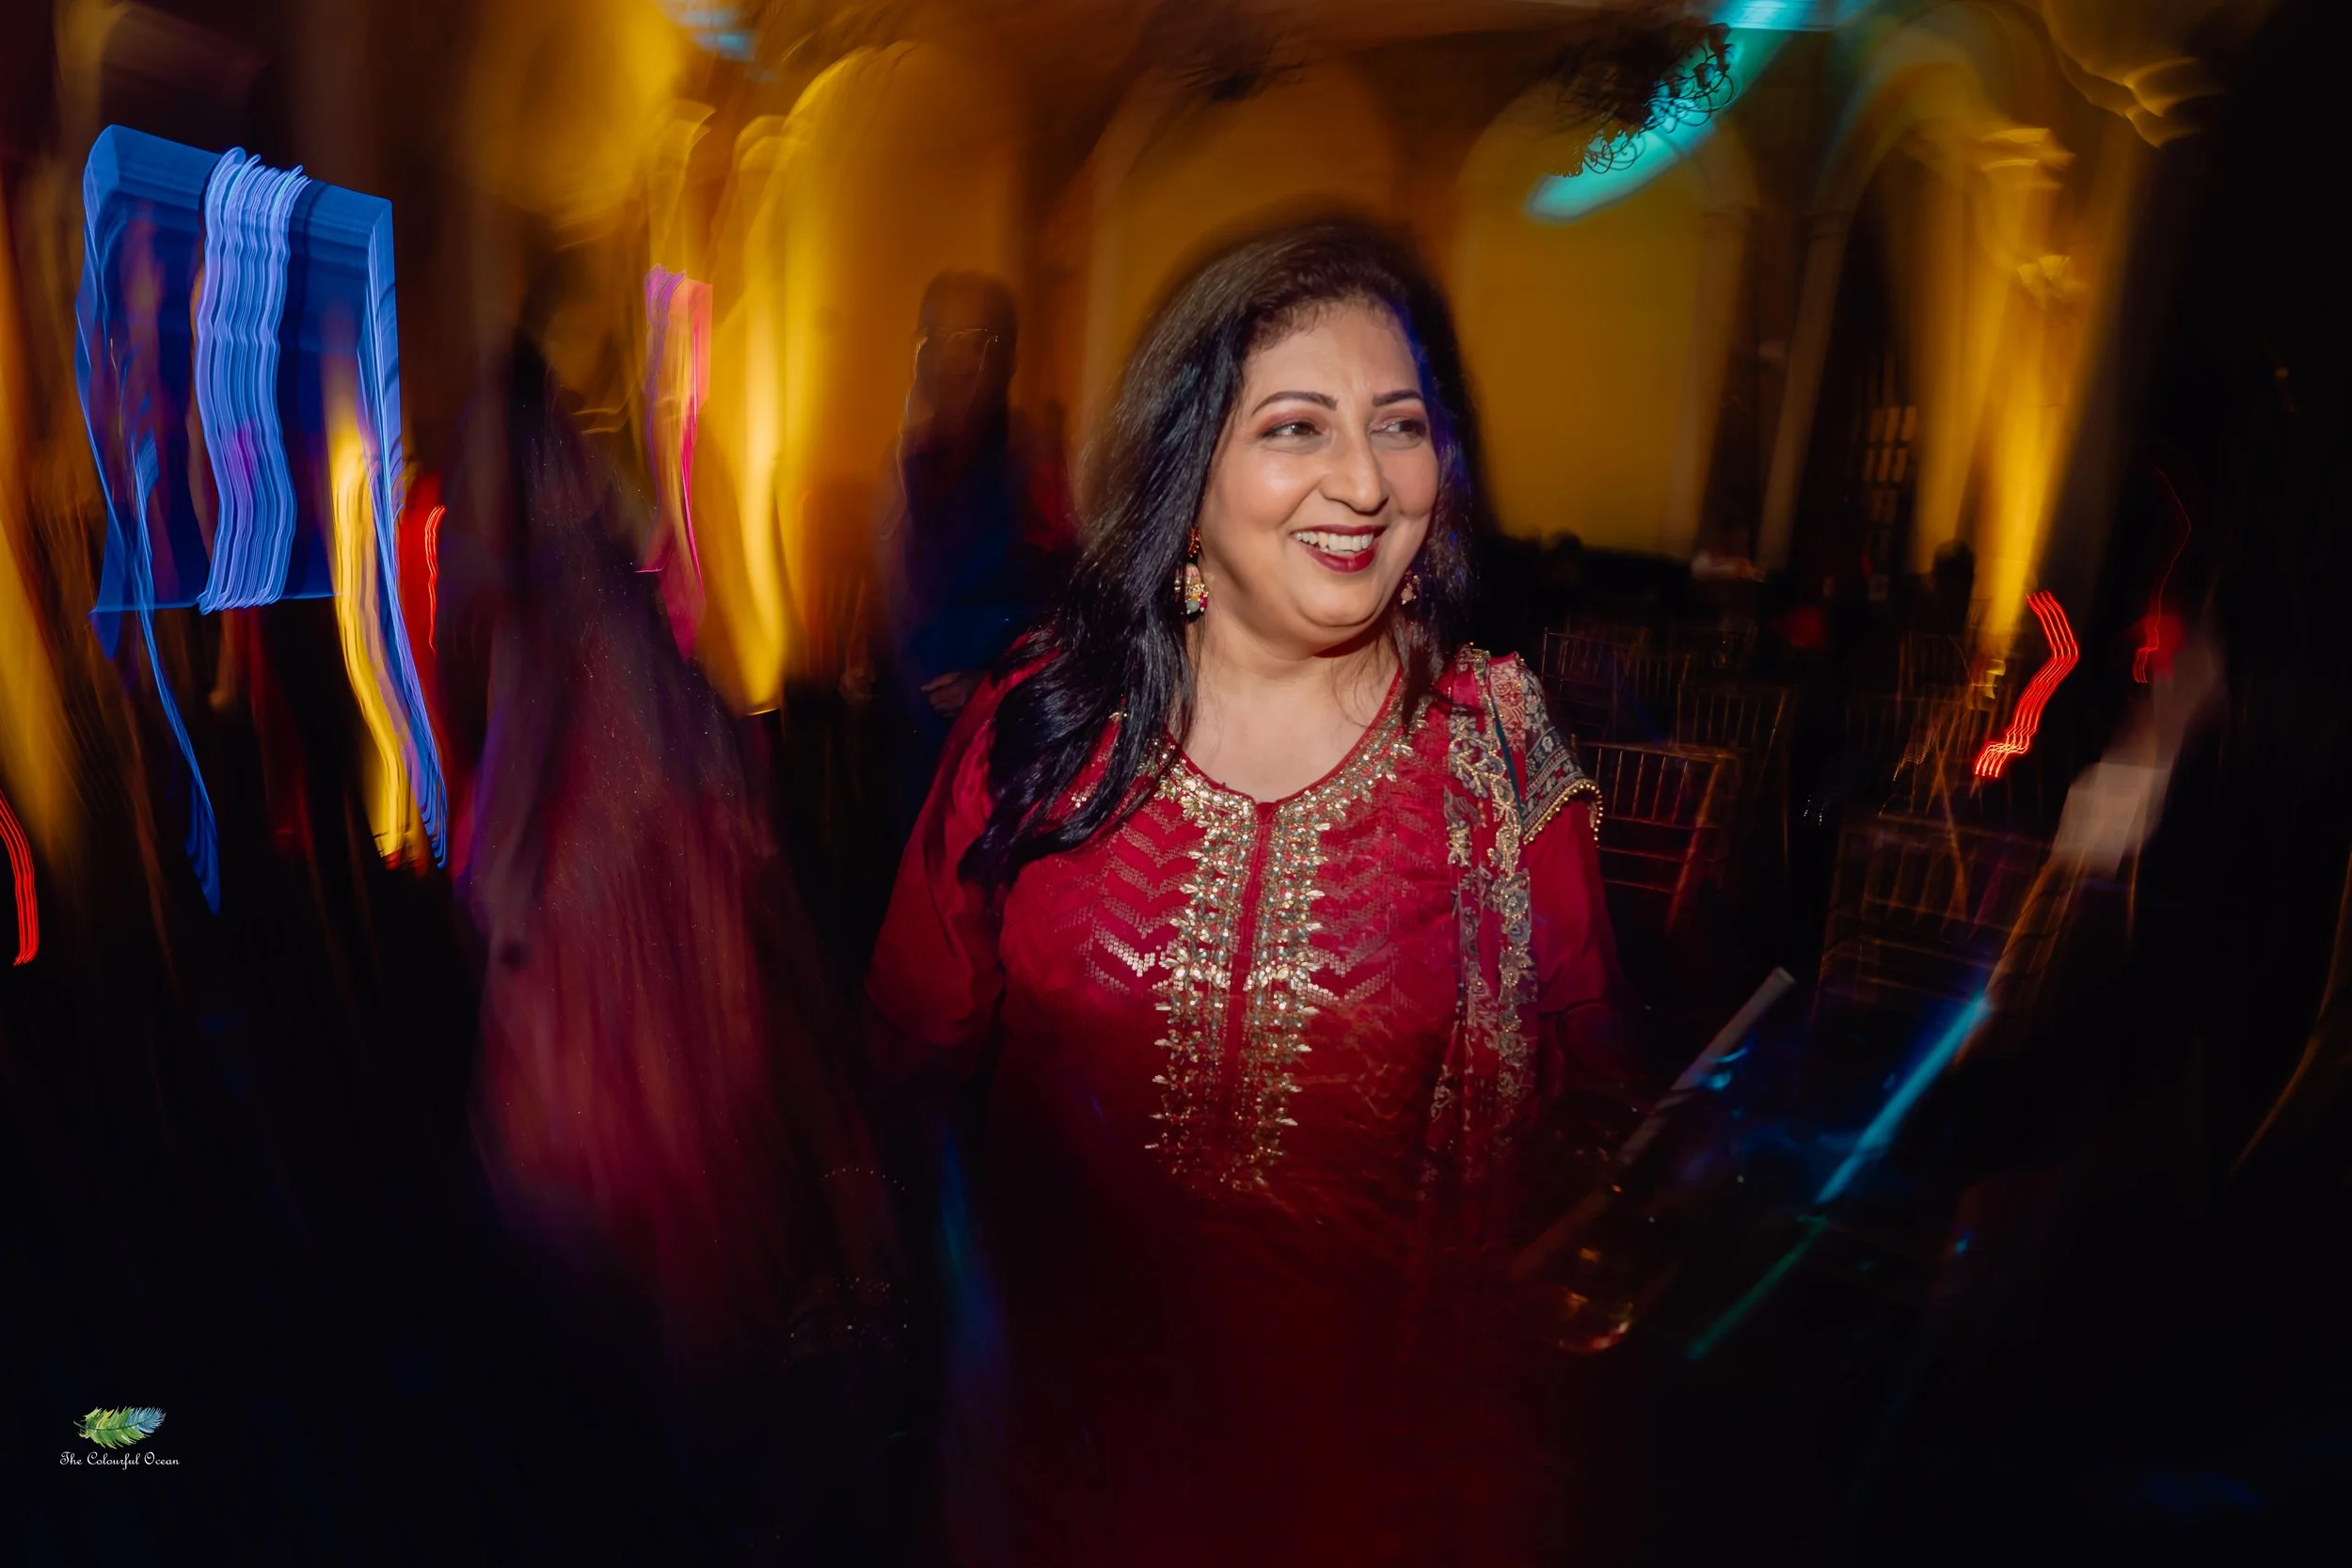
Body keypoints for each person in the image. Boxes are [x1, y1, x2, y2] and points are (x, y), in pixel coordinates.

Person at [866, 219, 1637, 1565]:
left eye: (1398, 425)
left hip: (1368, 1497)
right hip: (1053, 1472)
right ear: (1187, 474)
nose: (1366, 481)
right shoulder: (1044, 725)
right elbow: (908, 1046)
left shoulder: (1498, 770)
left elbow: (1587, 1117)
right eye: (1296, 427)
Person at [869, 272, 1072, 839]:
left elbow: (1072, 612)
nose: (952, 359)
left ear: (1005, 357)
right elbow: (895, 583)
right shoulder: (908, 456)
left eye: (972, 339)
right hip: (912, 736)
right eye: (938, 338)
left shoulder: (1035, 464)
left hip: (995, 746)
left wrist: (992, 683)